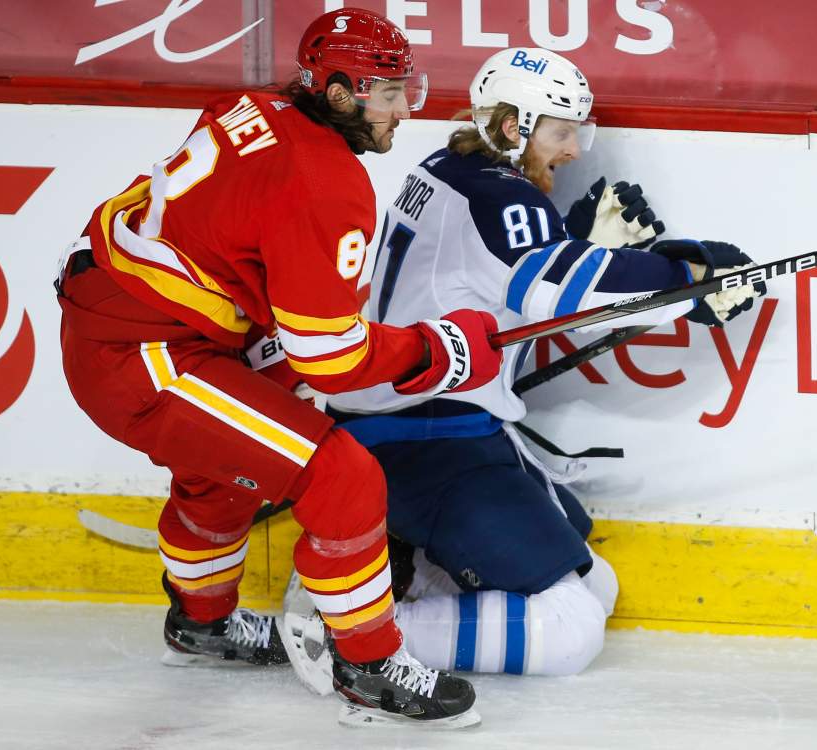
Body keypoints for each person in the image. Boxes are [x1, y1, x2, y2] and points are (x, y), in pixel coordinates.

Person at [54, 7, 500, 729]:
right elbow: (329, 359)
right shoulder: (328, 184)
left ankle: (200, 624)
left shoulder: (253, 104)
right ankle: (369, 666)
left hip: (127, 323)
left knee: (229, 467)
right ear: (336, 92)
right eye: (384, 94)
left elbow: (227, 238)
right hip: (145, 359)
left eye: (402, 89)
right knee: (344, 475)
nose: (401, 111)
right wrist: (437, 350)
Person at [292, 47, 766, 681]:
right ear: (514, 127)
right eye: (563, 131)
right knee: (570, 629)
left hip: (430, 427)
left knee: (596, 587)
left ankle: (394, 570)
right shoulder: (496, 194)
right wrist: (686, 274)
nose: (574, 149)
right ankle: (344, 632)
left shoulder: (452, 167)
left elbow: (502, 291)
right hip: (423, 441)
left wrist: (593, 250)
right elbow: (555, 290)